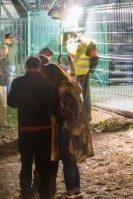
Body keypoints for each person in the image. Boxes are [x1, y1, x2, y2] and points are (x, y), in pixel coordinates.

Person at [8, 56, 57, 199]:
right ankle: (44, 193)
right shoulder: (49, 85)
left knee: (26, 162)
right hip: (44, 130)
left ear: (25, 67)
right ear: (40, 67)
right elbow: (54, 107)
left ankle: (25, 192)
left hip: (26, 129)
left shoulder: (17, 82)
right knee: (44, 164)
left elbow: (11, 103)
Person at [42, 62, 93, 199]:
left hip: (67, 128)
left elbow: (65, 111)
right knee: (72, 161)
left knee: (67, 161)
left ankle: (70, 193)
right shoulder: (70, 85)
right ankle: (76, 191)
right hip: (78, 128)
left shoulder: (61, 88)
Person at [65, 27, 99, 121]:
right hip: (74, 74)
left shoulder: (87, 42)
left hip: (82, 73)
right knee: (78, 95)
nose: (73, 32)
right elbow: (69, 58)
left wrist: (89, 70)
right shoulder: (70, 42)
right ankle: (80, 116)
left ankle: (86, 117)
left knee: (84, 95)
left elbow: (94, 57)